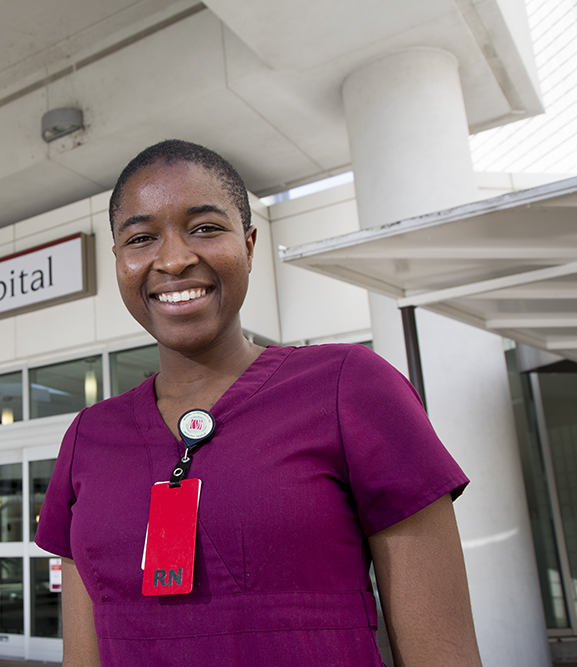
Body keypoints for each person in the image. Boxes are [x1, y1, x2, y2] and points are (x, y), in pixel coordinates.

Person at [34, 139, 482, 666]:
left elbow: (443, 654)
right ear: (119, 261)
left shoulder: (350, 388)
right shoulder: (89, 436)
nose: (174, 259)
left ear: (249, 245)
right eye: (142, 237)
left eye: (205, 228)